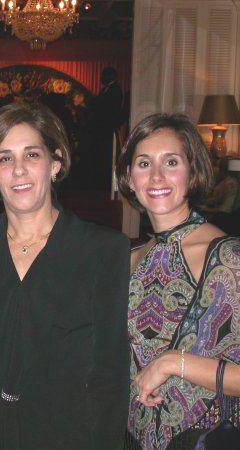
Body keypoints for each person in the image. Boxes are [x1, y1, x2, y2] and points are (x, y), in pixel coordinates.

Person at [0, 103, 131, 449]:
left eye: (31, 155)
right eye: (4, 158)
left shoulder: (103, 250)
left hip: (67, 435)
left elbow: (111, 372)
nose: (18, 170)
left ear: (55, 162)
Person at [115, 113, 240, 449]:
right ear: (128, 178)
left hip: (202, 439)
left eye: (171, 161)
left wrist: (172, 363)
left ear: (193, 171)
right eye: (143, 163)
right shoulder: (128, 260)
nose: (156, 176)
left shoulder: (228, 257)